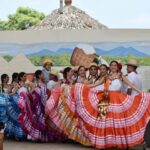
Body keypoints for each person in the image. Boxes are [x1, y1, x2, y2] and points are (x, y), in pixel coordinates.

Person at [46, 60, 150, 149]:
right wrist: (80, 87)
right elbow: (95, 85)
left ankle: (118, 143)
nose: (113, 66)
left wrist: (142, 93)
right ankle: (104, 143)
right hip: (104, 99)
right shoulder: (106, 77)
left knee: (117, 122)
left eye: (115, 65)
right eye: (112, 65)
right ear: (110, 67)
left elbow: (130, 85)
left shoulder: (120, 76)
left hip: (117, 100)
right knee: (103, 121)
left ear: (117, 67)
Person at [18, 70, 64, 142]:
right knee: (38, 120)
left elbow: (48, 93)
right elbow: (31, 94)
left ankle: (40, 137)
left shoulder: (44, 84)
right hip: (37, 106)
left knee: (43, 120)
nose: (44, 76)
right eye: (42, 74)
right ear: (39, 75)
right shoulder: (35, 84)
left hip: (44, 104)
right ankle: (36, 137)